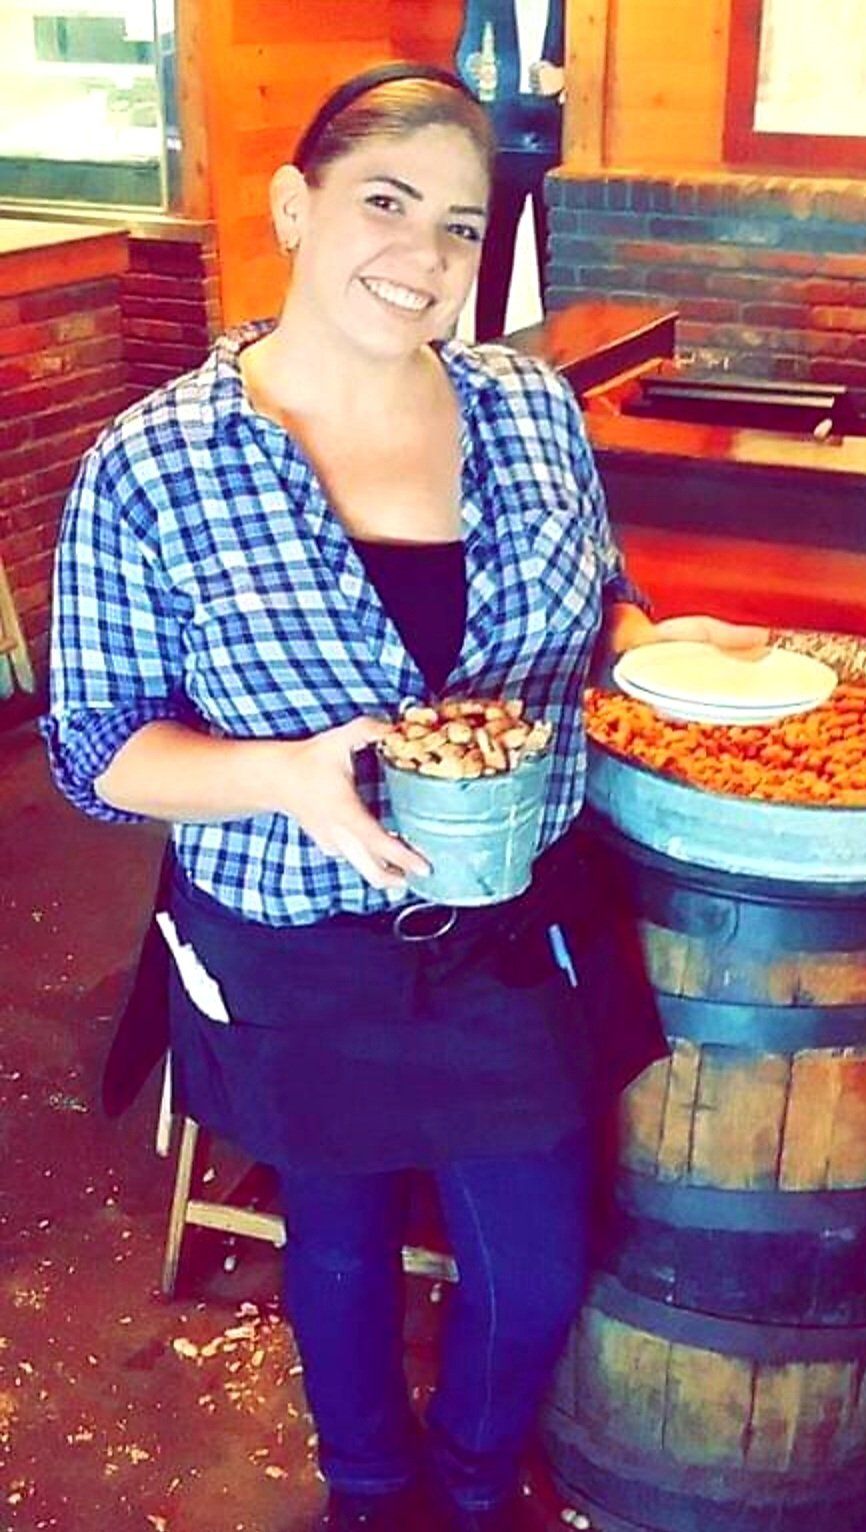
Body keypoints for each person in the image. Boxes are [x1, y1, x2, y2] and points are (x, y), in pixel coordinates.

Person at [44, 63, 768, 1532]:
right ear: (295, 205)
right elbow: (97, 745)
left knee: (541, 1255)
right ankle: (373, 1497)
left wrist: (648, 637)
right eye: (387, 202)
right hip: (300, 938)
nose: (425, 257)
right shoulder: (157, 467)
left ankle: (473, 1483)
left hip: (513, 919)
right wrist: (280, 780)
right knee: (343, 1230)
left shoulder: (523, 407)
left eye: (459, 223)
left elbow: (596, 595)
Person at [455, 0, 564, 339]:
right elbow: (465, 54)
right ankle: (487, 343)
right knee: (493, 255)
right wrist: (474, 68)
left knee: (553, 256)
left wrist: (565, 78)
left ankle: (560, 346)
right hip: (501, 140)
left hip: (558, 143)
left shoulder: (577, 7)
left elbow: (598, 65)